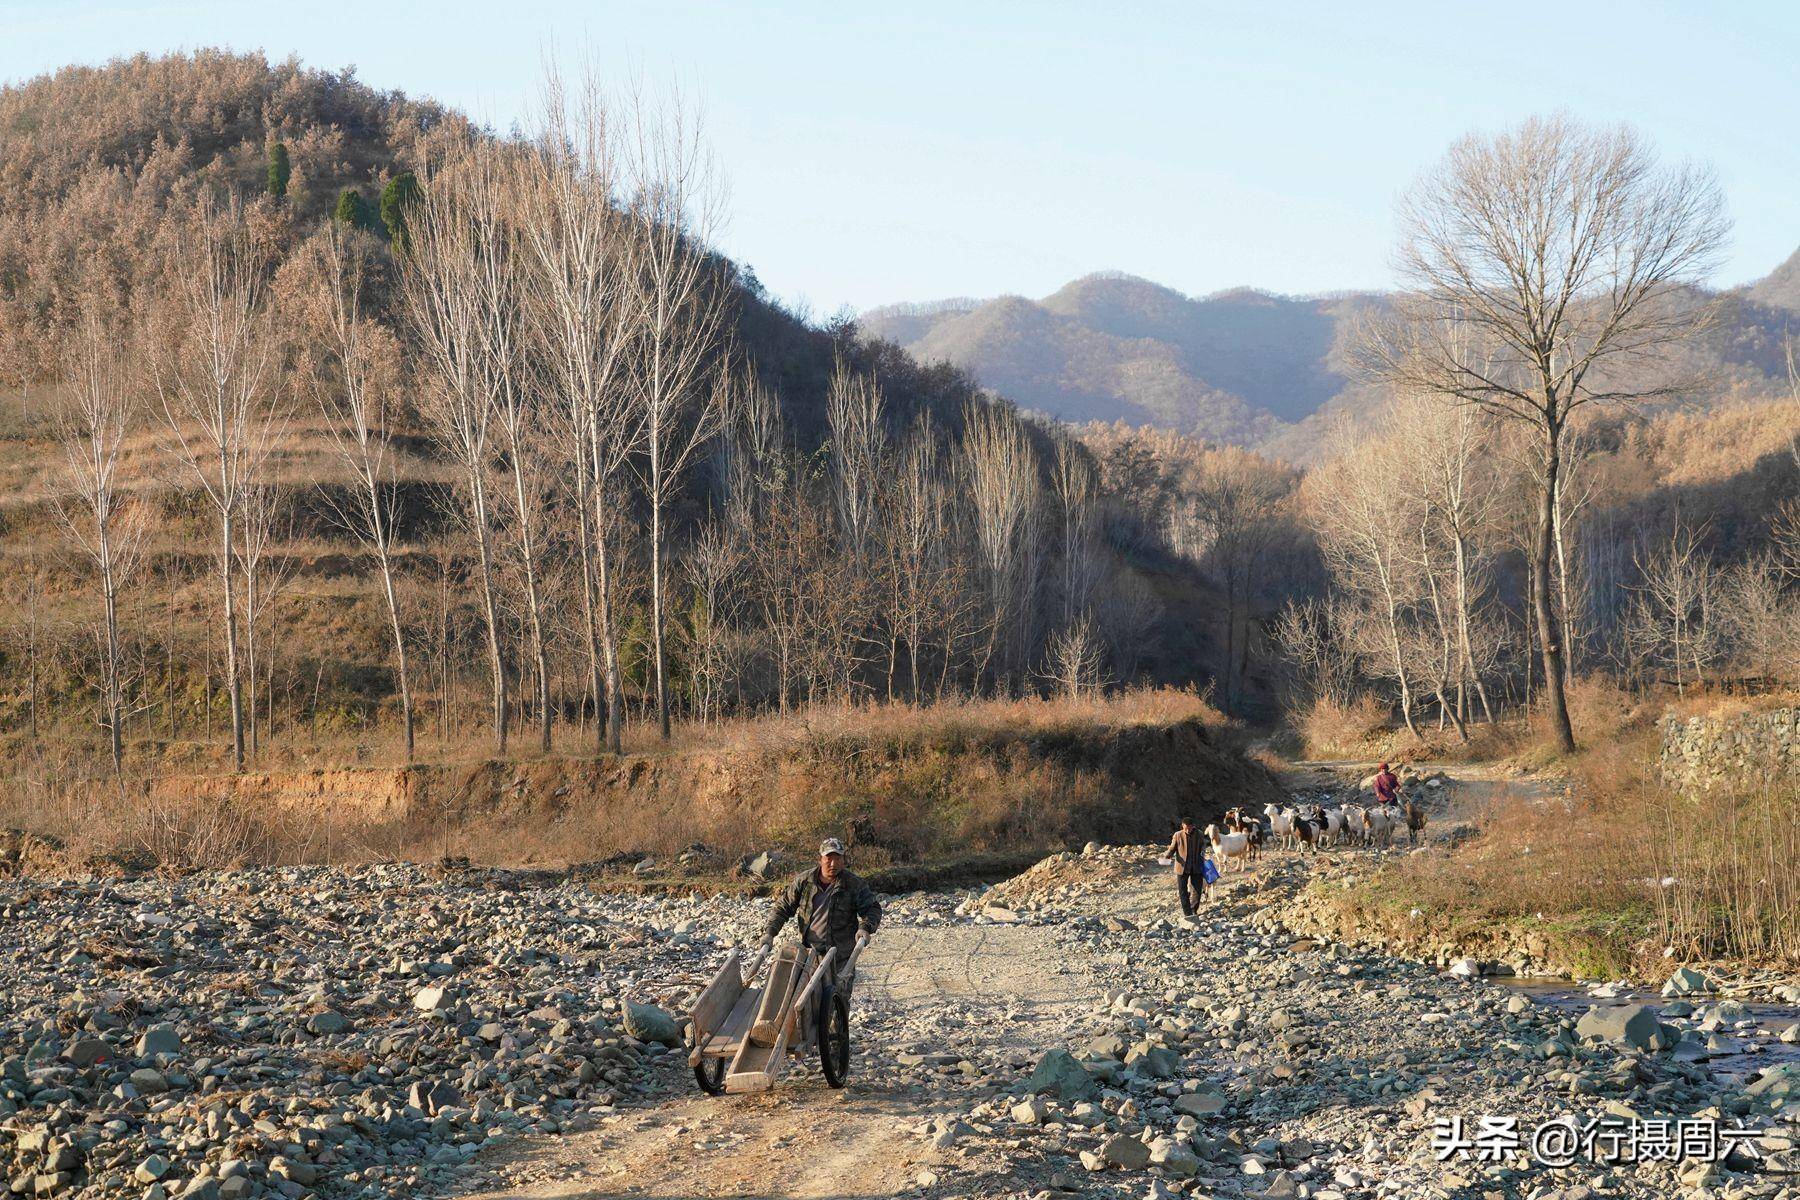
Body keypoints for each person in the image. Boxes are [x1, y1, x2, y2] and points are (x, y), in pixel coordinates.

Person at [762, 838, 882, 994]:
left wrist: (865, 927)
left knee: (839, 999)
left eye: (837, 858)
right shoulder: (804, 881)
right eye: (829, 858)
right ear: (820, 859)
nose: (833, 864)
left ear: (843, 859)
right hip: (810, 953)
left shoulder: (853, 884)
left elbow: (872, 908)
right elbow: (783, 907)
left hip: (840, 956)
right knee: (808, 999)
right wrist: (770, 933)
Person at [1165, 817, 1209, 916]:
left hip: (1196, 866)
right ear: (1182, 826)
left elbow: (1203, 846)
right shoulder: (1177, 835)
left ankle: (1194, 909)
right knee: (1182, 891)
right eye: (1185, 828)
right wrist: (1167, 857)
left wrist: (1203, 853)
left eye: (1189, 828)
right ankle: (1187, 913)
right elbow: (1172, 848)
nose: (1188, 830)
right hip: (1182, 867)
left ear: (1193, 826)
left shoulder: (1200, 834)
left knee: (1197, 890)